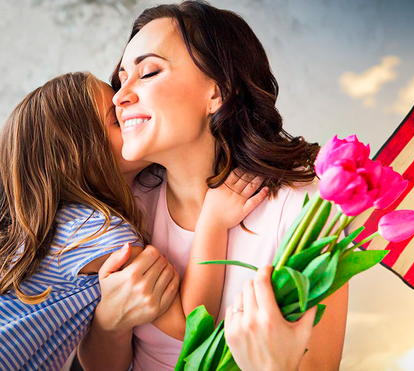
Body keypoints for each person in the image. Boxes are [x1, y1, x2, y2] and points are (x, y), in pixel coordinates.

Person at [78, 2, 349, 370]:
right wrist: (109, 325)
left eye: (148, 72)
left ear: (217, 92)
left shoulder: (303, 213)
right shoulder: (126, 206)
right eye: (121, 78)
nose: (119, 97)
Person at [0, 72, 176, 370]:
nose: (128, 108)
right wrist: (214, 217)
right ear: (78, 156)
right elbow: (188, 323)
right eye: (116, 120)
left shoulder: (54, 227)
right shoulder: (98, 232)